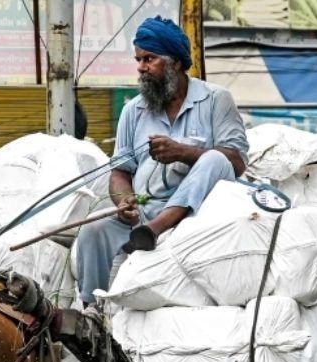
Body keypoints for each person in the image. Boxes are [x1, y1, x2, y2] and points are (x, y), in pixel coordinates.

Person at [75, 15, 249, 305]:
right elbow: (120, 172)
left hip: (199, 217)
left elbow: (237, 162)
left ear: (176, 63)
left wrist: (183, 152)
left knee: (217, 159)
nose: (141, 68)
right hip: (143, 216)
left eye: (149, 59)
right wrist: (124, 201)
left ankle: (157, 228)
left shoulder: (217, 99)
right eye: (139, 60)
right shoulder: (134, 111)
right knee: (92, 232)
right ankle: (91, 312)